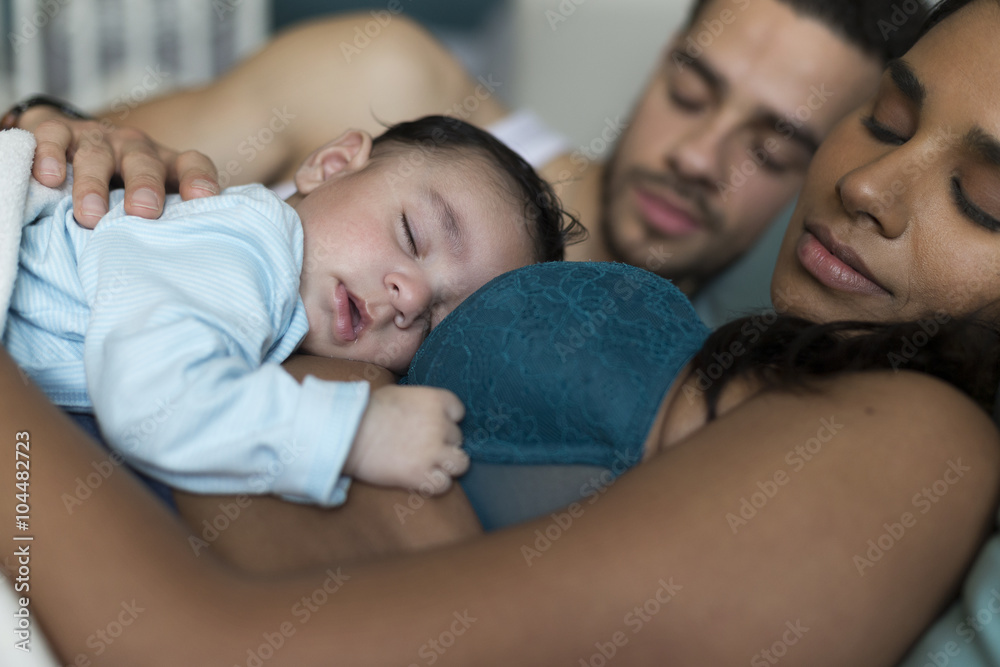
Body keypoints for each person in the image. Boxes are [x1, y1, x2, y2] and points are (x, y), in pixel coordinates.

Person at [2, 1, 1000, 665]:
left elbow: (209, 644)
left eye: (982, 197)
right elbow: (76, 164)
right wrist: (64, 134)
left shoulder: (896, 436)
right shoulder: (413, 105)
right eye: (881, 119)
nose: (868, 185)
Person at [10, 0, 922, 301]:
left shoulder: (702, 385)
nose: (697, 155)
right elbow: (80, 147)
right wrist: (57, 134)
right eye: (691, 89)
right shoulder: (387, 81)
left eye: (771, 145)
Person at [4, 115, 577, 507]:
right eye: (411, 233)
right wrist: (354, 434)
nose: (413, 298)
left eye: (434, 325)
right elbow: (155, 400)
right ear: (331, 165)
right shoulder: (250, 242)